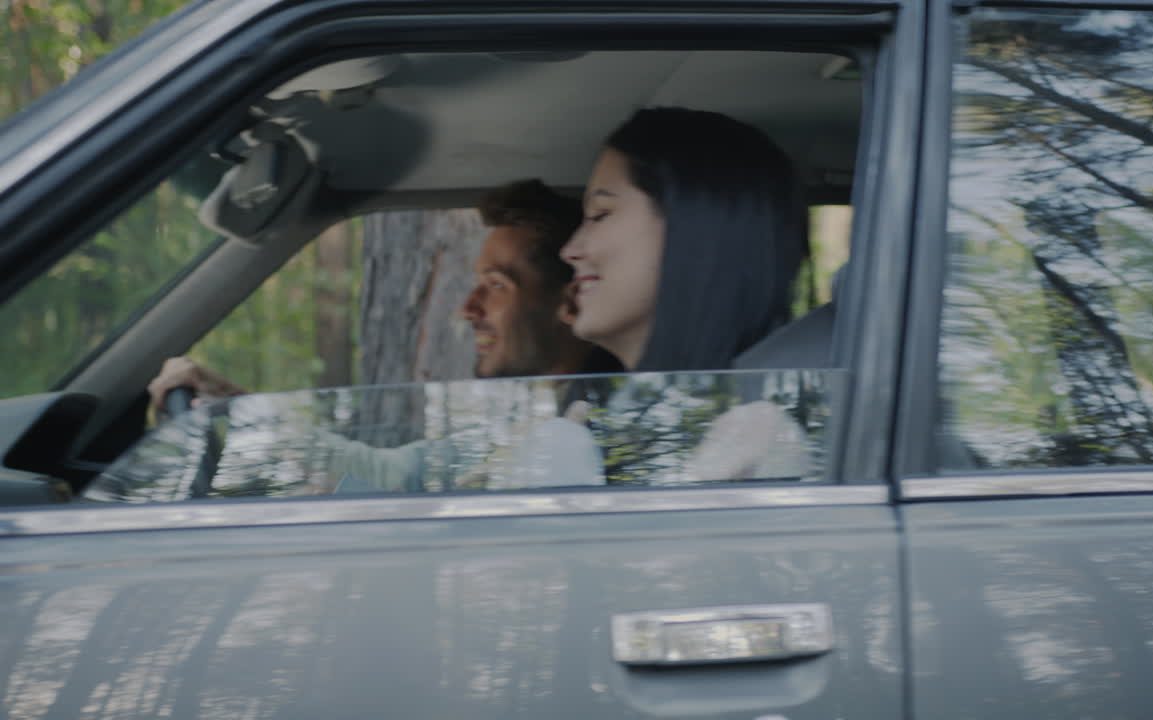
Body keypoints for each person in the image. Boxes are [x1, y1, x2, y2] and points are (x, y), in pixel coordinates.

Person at [148, 179, 614, 411]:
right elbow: (399, 476)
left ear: (569, 301)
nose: (467, 308)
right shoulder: (540, 412)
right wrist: (238, 407)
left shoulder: (604, 419)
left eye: (496, 287)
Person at [559, 107, 813, 481]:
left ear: (694, 232)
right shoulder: (607, 410)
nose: (570, 250)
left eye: (599, 214)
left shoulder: (759, 435)